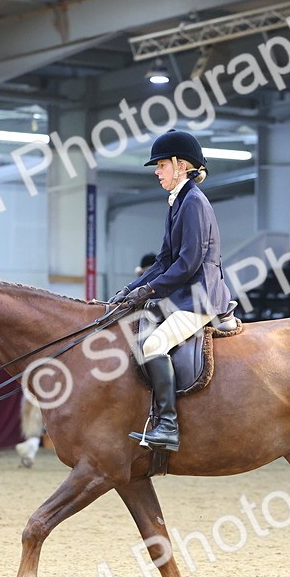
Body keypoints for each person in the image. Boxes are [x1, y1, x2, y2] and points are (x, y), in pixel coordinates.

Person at [106, 129, 233, 452]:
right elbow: (164, 259)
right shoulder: (177, 202)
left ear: (180, 165)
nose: (157, 172)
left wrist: (148, 290)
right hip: (183, 296)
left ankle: (168, 425)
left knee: (153, 344)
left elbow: (188, 262)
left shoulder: (193, 203)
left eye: (161, 166)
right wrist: (130, 289)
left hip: (199, 297)